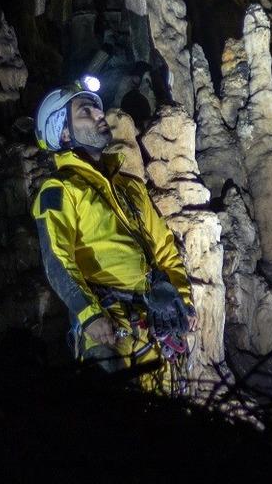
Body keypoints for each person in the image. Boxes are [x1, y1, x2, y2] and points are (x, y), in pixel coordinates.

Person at [30, 76, 199, 393]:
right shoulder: (61, 190)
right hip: (109, 328)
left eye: (97, 108)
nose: (99, 115)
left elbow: (164, 251)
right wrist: (90, 316)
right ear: (63, 133)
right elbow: (56, 260)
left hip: (154, 324)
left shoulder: (129, 188)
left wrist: (183, 302)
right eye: (85, 112)